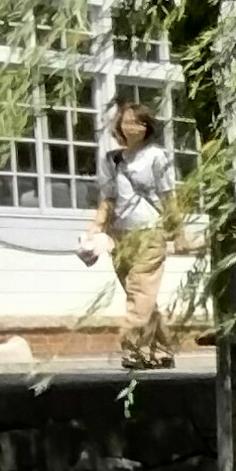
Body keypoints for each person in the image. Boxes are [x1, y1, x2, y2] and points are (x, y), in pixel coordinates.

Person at [81, 98, 182, 368]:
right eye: (127, 121)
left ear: (148, 127)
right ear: (119, 125)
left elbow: (168, 196)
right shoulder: (113, 159)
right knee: (140, 295)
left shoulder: (156, 156)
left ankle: (133, 348)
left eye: (138, 122)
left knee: (140, 289)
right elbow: (108, 198)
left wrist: (178, 230)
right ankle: (162, 350)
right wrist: (97, 226)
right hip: (120, 236)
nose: (132, 127)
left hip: (150, 232)